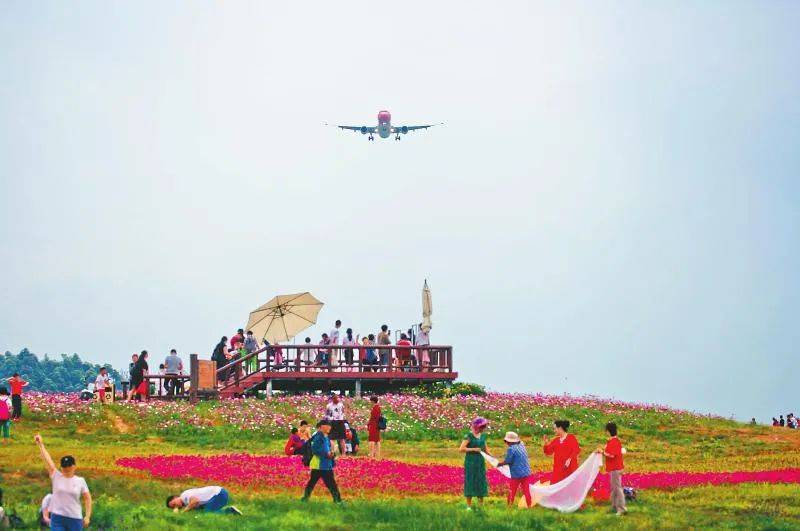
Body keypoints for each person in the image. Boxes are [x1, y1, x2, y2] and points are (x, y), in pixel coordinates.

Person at [34, 434, 92, 530]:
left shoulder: (80, 481)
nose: (67, 468)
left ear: (74, 466)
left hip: (75, 518)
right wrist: (40, 444)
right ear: (61, 467)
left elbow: (87, 498)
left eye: (69, 465)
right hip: (57, 518)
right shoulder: (56, 476)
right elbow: (48, 461)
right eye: (64, 466)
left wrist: (87, 516)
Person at [300, 421, 342, 503]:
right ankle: (337, 500)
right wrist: (327, 454)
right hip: (321, 464)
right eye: (327, 426)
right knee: (331, 483)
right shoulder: (318, 437)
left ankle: (305, 498)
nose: (329, 427)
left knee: (313, 482)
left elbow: (328, 450)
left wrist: (332, 453)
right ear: (321, 427)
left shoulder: (325, 437)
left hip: (324, 464)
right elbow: (315, 450)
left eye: (330, 426)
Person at [459, 417, 491, 510]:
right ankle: (468, 505)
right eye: (481, 427)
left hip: (480, 461)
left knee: (480, 480)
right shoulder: (469, 436)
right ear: (476, 426)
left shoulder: (483, 436)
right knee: (470, 481)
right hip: (471, 462)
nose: (483, 428)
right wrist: (474, 449)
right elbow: (461, 449)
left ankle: (481, 504)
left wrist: (492, 457)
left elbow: (485, 449)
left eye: (484, 427)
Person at [596, 422, 626, 516]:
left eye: (607, 431)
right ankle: (614, 506)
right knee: (614, 488)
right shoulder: (613, 441)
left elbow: (611, 455)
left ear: (609, 431)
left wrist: (602, 452)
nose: (606, 432)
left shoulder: (614, 442)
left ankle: (621, 509)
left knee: (617, 488)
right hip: (614, 468)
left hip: (615, 468)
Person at [497, 431, 532, 508]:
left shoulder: (511, 449)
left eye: (506, 441)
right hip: (526, 472)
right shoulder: (521, 445)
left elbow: (508, 461)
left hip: (517, 473)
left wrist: (499, 464)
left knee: (512, 490)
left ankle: (509, 506)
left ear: (508, 441)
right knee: (526, 491)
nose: (506, 443)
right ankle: (529, 506)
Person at [543, 420, 580, 484]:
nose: (554, 430)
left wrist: (569, 459)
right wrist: (546, 443)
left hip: (569, 468)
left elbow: (576, 450)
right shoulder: (556, 440)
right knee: (555, 487)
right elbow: (548, 452)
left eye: (555, 429)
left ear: (560, 428)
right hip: (558, 469)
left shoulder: (571, 437)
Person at [166, 486, 241, 514]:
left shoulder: (184, 496)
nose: (176, 506)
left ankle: (230, 510)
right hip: (219, 494)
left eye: (174, 504)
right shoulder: (185, 501)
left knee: (208, 513)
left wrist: (183, 511)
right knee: (203, 512)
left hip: (219, 494)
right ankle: (230, 511)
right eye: (173, 507)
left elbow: (195, 501)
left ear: (175, 497)